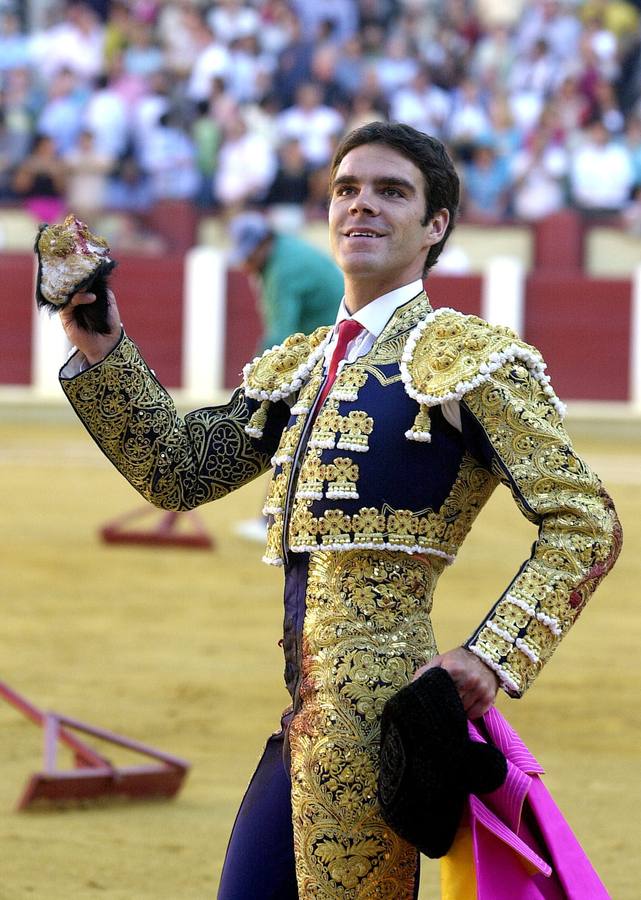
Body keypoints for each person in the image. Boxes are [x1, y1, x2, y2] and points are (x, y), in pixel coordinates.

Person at [57, 122, 621, 898]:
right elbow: (176, 471)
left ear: (436, 226)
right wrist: (99, 345)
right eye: (347, 189)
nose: (361, 205)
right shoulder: (304, 363)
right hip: (302, 718)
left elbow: (584, 521)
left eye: (391, 192)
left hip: (386, 721)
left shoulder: (468, 359)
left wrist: (491, 655)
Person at [229, 210, 344, 351]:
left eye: (249, 257)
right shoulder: (284, 248)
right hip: (333, 332)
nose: (246, 265)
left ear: (264, 243)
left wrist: (256, 369)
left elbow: (280, 337)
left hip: (333, 338)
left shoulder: (282, 272)